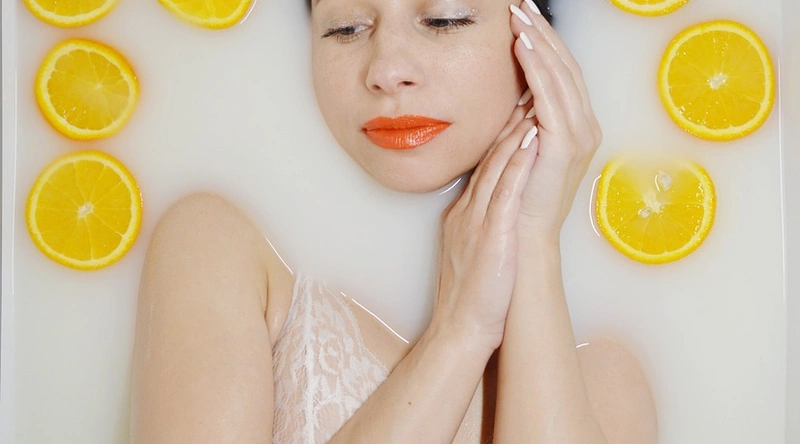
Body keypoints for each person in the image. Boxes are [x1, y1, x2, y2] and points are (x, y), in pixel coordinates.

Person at [130, 0, 658, 442]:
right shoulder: (217, 247)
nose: (385, 70)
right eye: (346, 28)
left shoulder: (604, 381)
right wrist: (458, 330)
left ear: (539, 44)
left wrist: (533, 238)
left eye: (444, 19)